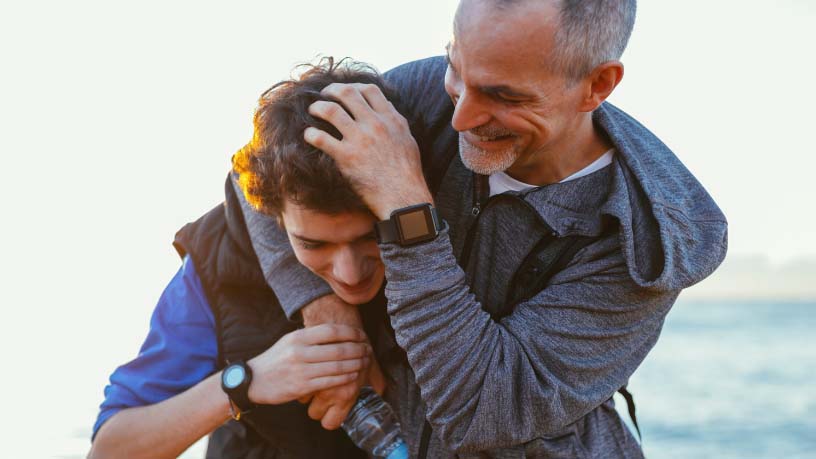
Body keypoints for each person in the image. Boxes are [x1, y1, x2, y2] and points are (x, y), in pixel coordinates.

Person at [239, 0, 729, 457]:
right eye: (455, 67)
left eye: (502, 95)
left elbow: (480, 413)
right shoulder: (423, 95)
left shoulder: (645, 240)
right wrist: (327, 314)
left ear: (597, 85)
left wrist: (405, 205)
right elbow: (262, 174)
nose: (460, 117)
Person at [88, 59, 400, 459]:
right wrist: (245, 383)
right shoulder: (216, 262)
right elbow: (109, 449)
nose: (350, 273)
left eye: (370, 237)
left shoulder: (445, 223)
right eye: (313, 244)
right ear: (273, 216)